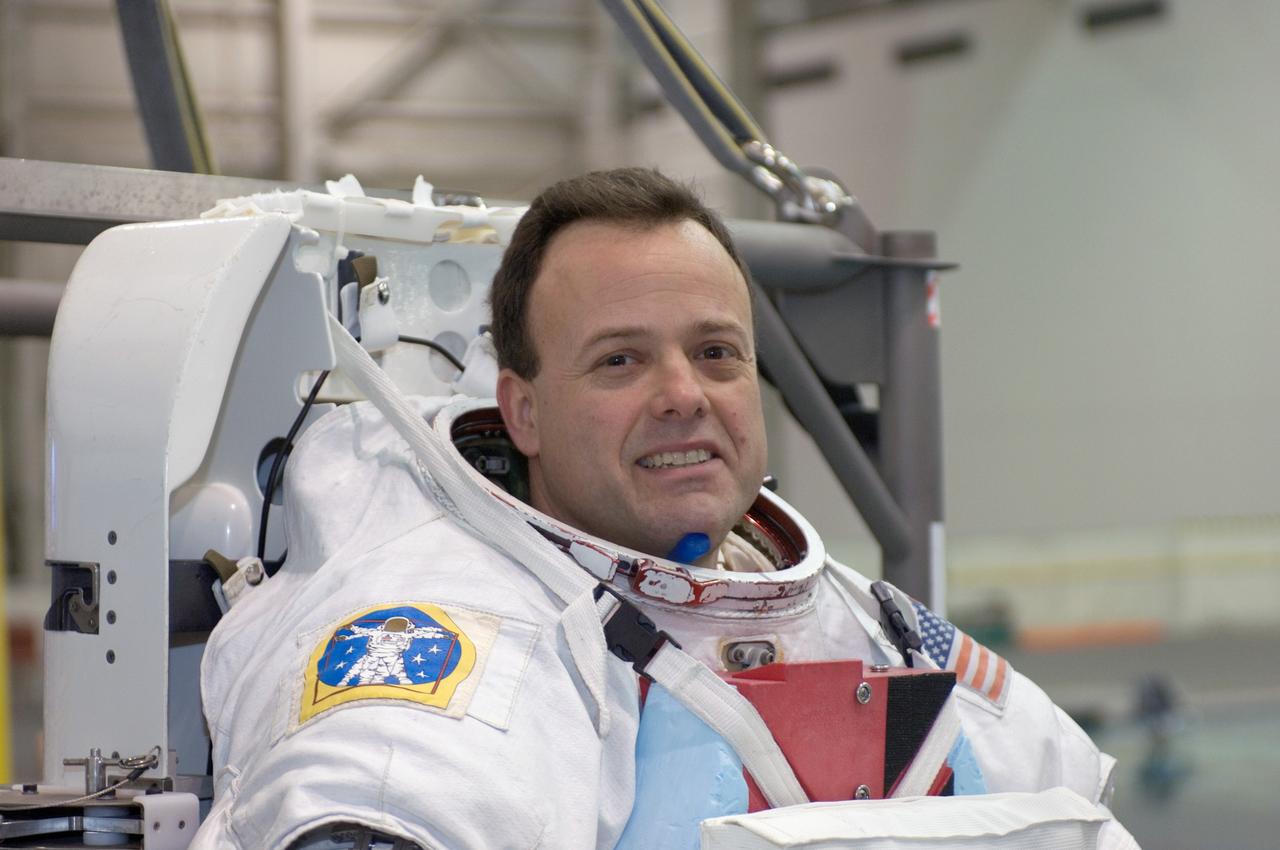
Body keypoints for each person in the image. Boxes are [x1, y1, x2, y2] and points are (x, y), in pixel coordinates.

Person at [190, 168, 1132, 850]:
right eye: (621, 360)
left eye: (717, 353)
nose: (684, 394)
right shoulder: (461, 639)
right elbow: (400, 798)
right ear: (524, 413)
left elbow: (1073, 802)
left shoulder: (875, 625)